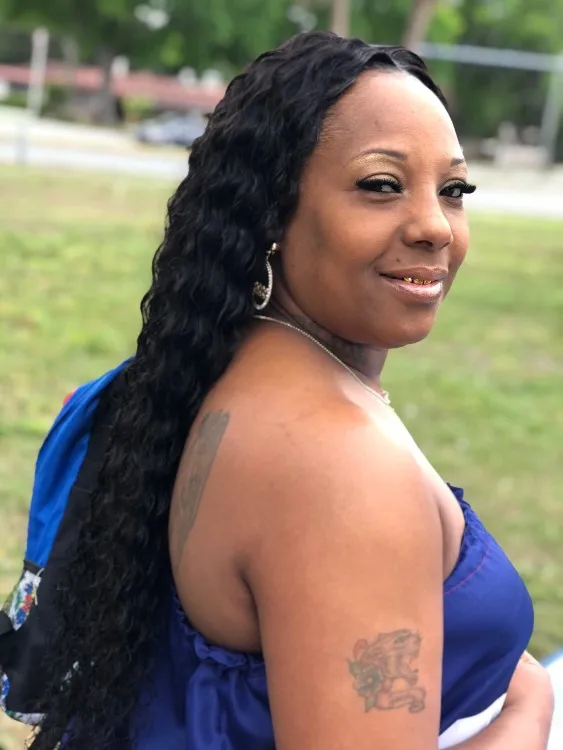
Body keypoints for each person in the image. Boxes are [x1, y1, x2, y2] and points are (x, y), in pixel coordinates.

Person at [32, 31, 553, 750]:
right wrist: (528, 713)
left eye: (453, 190)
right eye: (381, 185)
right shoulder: (338, 467)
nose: (435, 226)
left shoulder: (217, 370)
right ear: (272, 212)